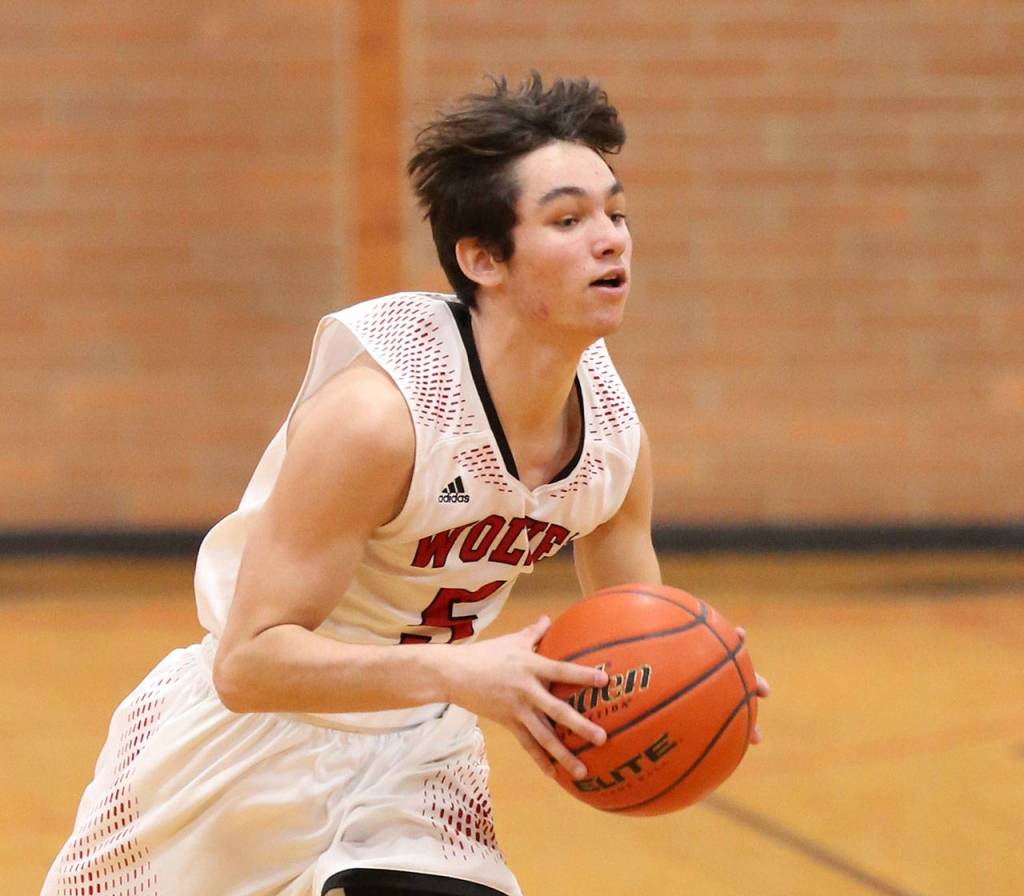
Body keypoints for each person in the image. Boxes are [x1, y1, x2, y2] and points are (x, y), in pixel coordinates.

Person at [43, 72, 768, 896]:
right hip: (247, 747)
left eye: (616, 212)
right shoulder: (378, 420)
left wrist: (704, 679)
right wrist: (460, 674)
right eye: (569, 220)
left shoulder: (612, 439)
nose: (611, 240)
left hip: (416, 759)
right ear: (482, 258)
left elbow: (640, 636)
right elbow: (246, 665)